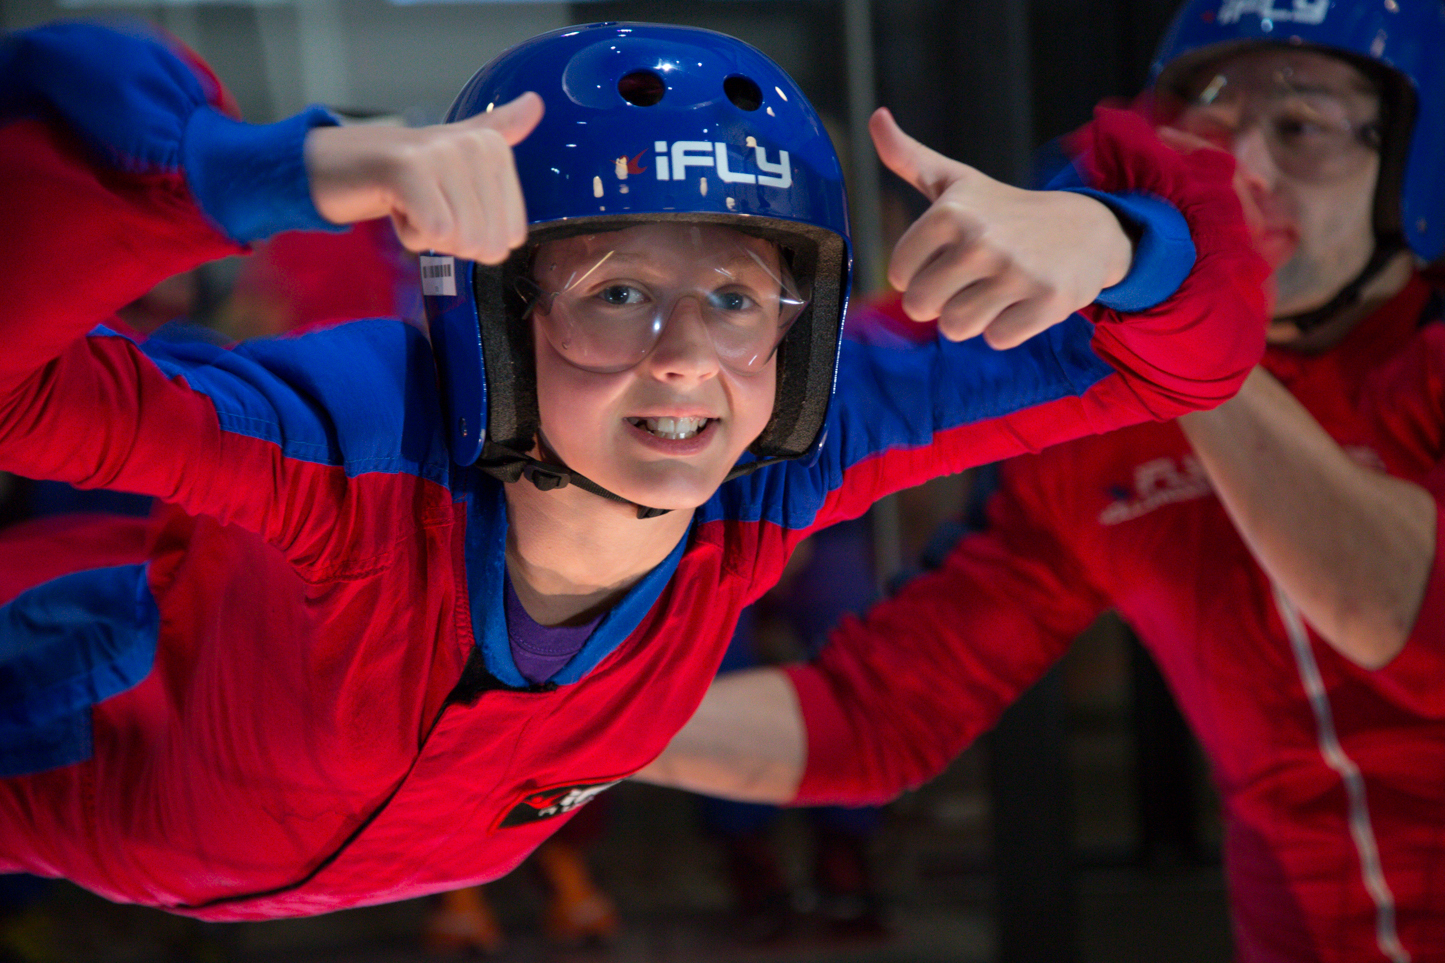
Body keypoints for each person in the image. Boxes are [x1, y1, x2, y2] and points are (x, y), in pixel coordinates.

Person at [0, 18, 1264, 922]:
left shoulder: (786, 457)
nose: (684, 362)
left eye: (733, 295)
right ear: (493, 318)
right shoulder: (352, 444)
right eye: (616, 294)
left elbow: (1186, 357)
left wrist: (1117, 239)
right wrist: (247, 172)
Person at [638, 1, 1445, 960]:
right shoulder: (1095, 437)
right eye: (1207, 126)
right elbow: (878, 715)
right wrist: (564, 718)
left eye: (1302, 127)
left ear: (1407, 161)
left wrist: (1172, 301)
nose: (1240, 172)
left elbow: (1402, 618)